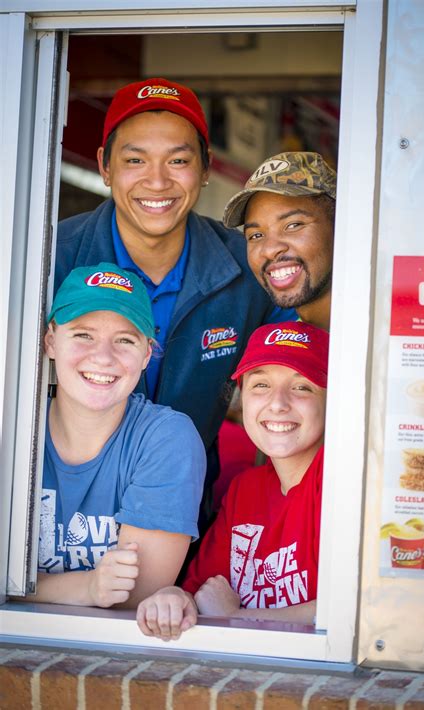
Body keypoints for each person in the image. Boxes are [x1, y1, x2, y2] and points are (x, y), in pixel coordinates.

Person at [55, 78, 293, 527]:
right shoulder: (50, 257)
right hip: (62, 520)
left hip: (188, 519)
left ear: (205, 167)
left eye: (179, 160)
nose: (158, 181)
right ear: (105, 166)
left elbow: (303, 371)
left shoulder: (248, 266)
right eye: (135, 160)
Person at [136, 320, 328, 640]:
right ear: (242, 397)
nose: (278, 403)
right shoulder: (246, 490)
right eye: (261, 385)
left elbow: (360, 609)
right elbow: (202, 592)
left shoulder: (339, 480)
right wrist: (174, 598)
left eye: (302, 386)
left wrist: (237, 617)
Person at [31, 263, 205, 608]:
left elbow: (133, 597)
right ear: (51, 341)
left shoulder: (166, 439)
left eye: (125, 340)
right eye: (83, 334)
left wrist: (27, 587)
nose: (103, 357)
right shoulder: (15, 428)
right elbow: (105, 591)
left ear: (146, 354)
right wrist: (87, 587)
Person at [223, 152, 336, 331]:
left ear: (340, 225)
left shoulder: (382, 331)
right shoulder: (289, 343)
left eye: (293, 225)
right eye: (256, 235)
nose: (269, 249)